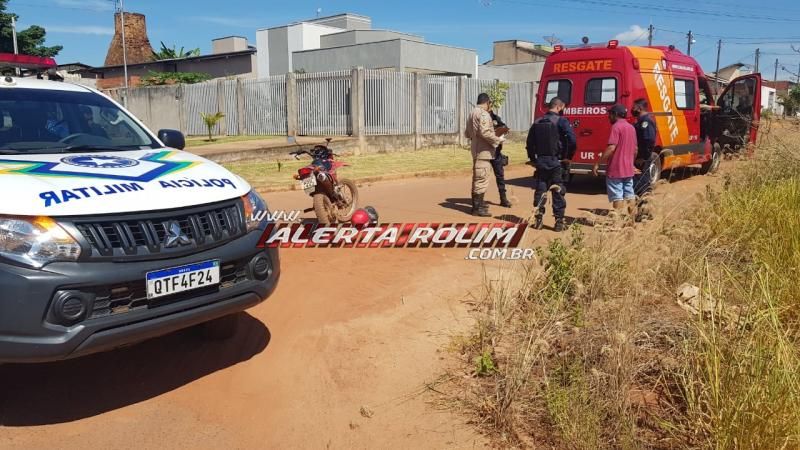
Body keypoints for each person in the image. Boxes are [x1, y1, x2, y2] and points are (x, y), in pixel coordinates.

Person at [526, 97, 576, 232]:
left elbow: (529, 143)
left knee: (540, 190)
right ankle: (559, 222)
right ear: (559, 107)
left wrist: (533, 159)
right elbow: (572, 140)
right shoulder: (562, 121)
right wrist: (568, 157)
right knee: (558, 190)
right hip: (557, 162)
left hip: (541, 162)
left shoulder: (537, 122)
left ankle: (538, 220)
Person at [593, 104, 637, 224]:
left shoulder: (616, 127)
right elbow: (635, 149)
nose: (609, 117)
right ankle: (631, 221)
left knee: (617, 196)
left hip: (616, 168)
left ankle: (616, 223)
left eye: (610, 114)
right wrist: (631, 163)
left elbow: (612, 147)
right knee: (630, 195)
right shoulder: (631, 128)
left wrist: (598, 163)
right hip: (628, 169)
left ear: (615, 115)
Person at [465, 93, 505, 216]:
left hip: (477, 149)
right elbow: (485, 133)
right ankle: (477, 208)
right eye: (490, 104)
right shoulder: (483, 114)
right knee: (481, 179)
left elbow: (467, 133)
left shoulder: (472, 113)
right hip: (483, 151)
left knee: (478, 178)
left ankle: (478, 205)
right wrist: (498, 140)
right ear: (487, 102)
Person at [632, 98, 657, 199]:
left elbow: (648, 140)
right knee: (637, 184)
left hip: (642, 159)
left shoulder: (646, 121)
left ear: (639, 108)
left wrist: (643, 157)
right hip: (639, 158)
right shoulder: (640, 121)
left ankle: (644, 210)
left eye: (634, 107)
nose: (632, 109)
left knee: (642, 184)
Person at [489, 108, 511, 207]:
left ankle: (503, 198)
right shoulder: (480, 118)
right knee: (482, 177)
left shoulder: (495, 117)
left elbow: (503, 125)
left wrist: (504, 130)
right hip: (485, 151)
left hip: (496, 152)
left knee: (500, 176)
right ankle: (478, 203)